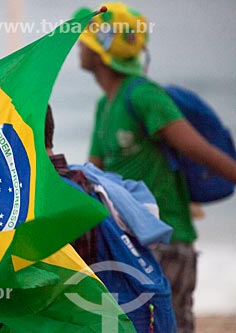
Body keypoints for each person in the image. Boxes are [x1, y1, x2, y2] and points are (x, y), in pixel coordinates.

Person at [76, 3, 236, 332]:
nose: (79, 45)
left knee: (171, 326)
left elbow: (198, 149)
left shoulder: (143, 95)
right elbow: (90, 174)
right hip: (129, 241)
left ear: (102, 51)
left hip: (168, 239)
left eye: (86, 40)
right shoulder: (105, 104)